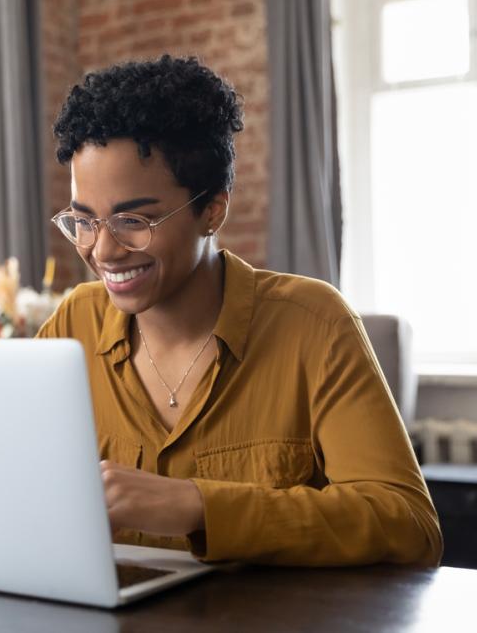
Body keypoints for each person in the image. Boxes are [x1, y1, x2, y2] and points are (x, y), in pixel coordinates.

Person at [36, 55, 442, 567]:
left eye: (134, 219)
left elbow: (407, 524)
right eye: (84, 221)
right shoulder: (72, 326)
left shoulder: (315, 324)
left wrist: (199, 506)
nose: (103, 251)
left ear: (213, 209)